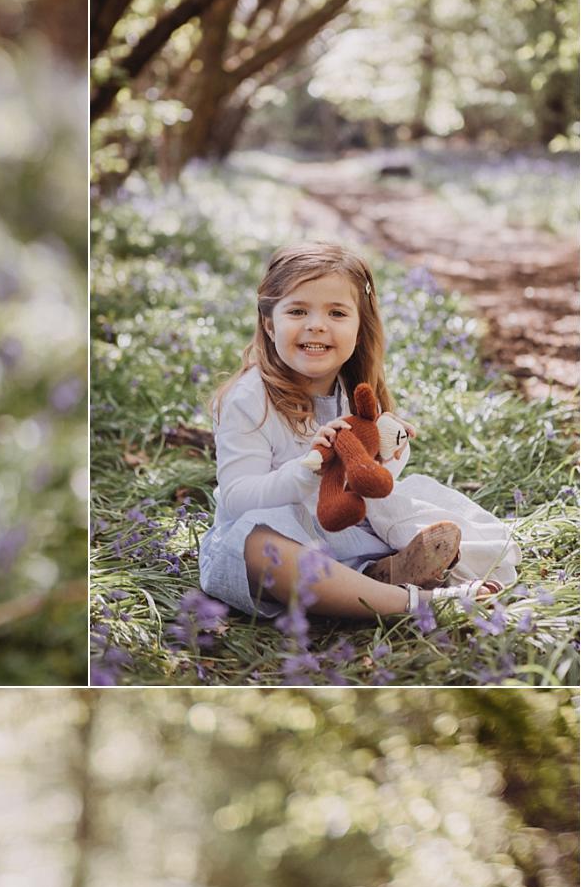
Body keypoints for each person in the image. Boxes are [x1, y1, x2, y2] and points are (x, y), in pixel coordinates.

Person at [197, 242, 516, 625]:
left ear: (359, 327)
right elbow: (235, 498)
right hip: (280, 536)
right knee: (262, 550)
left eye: (337, 312)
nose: (316, 324)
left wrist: (387, 455)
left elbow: (368, 478)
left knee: (413, 521)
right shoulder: (250, 399)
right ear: (269, 322)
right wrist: (302, 473)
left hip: (347, 531)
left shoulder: (354, 389)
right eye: (298, 310)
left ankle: (379, 576)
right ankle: (414, 602)